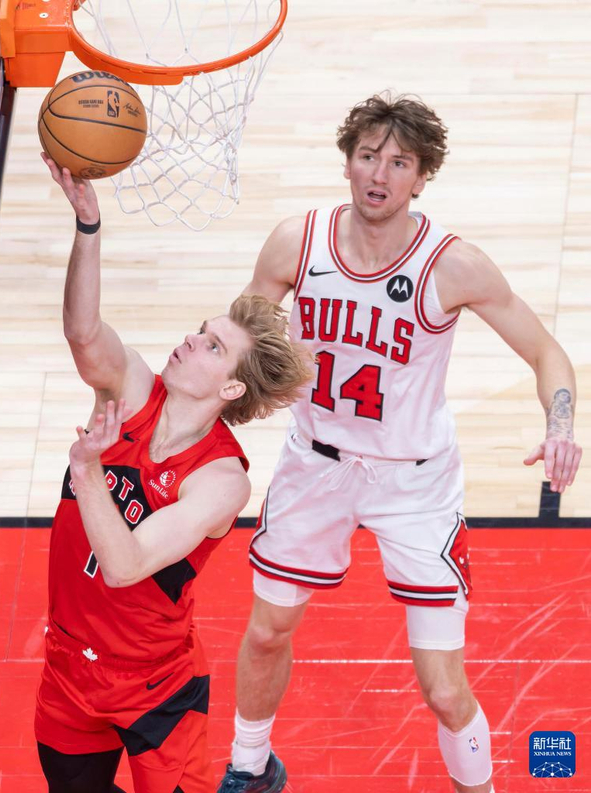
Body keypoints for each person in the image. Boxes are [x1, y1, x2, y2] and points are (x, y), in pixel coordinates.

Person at [217, 94, 583, 793]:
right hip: (315, 463)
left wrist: (560, 425)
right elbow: (237, 342)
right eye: (367, 156)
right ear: (347, 163)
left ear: (422, 176)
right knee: (266, 630)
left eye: (398, 162)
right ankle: (249, 765)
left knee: (442, 689)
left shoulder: (454, 265)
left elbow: (547, 352)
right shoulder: (296, 243)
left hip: (414, 482)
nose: (378, 174)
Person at [34, 155, 312, 793]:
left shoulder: (221, 480)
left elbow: (125, 564)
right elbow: (83, 332)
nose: (191, 341)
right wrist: (88, 227)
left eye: (213, 346)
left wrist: (87, 469)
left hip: (155, 687)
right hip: (69, 668)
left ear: (232, 387)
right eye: (200, 331)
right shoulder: (133, 388)